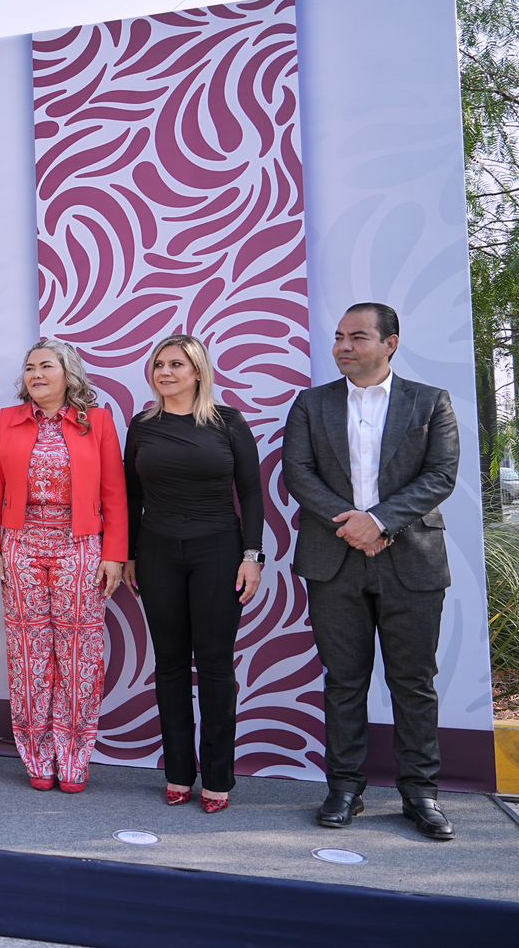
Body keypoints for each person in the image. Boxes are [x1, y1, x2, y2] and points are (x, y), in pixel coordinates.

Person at [284, 302, 460, 841]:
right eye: (339, 336)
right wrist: (353, 525)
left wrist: (379, 521)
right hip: (334, 560)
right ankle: (344, 788)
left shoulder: (430, 401)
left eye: (357, 336)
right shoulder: (311, 404)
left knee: (414, 682)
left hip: (412, 561)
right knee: (344, 681)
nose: (343, 346)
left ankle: (421, 794)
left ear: (390, 344)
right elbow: (298, 473)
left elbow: (440, 475)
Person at [122, 334, 264, 813]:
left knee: (216, 665)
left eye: (176, 365)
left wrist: (253, 556)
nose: (165, 372)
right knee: (170, 665)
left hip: (219, 551)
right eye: (159, 364)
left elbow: (251, 493)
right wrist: (130, 555)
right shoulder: (142, 425)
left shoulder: (229, 422)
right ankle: (179, 772)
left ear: (198, 372)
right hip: (157, 552)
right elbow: (131, 495)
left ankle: (218, 777)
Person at [0, 339, 126, 793]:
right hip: (20, 544)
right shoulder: (7, 420)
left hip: (80, 546)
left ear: (68, 373)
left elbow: (114, 492)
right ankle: (38, 757)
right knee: (29, 654)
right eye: (30, 367)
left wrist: (114, 554)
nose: (37, 374)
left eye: (46, 366)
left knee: (80, 656)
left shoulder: (97, 421)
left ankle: (75, 757)